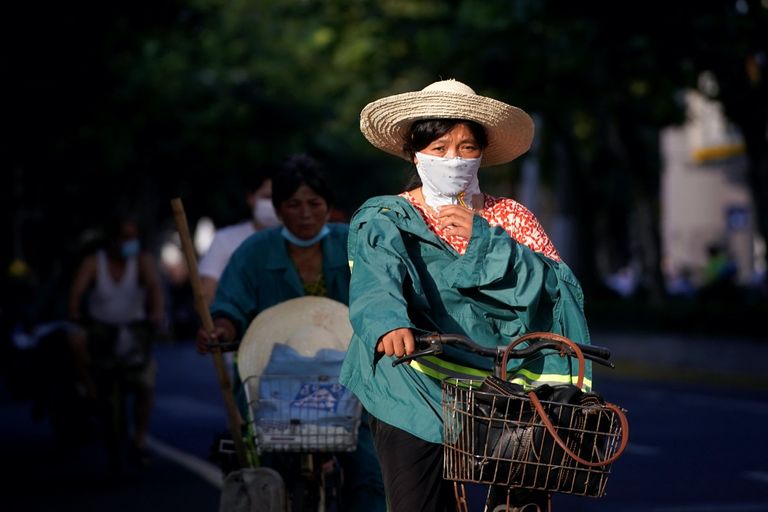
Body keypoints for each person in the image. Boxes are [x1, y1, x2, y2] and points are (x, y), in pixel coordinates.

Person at [340, 79, 593, 511]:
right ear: (414, 153)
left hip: (504, 388)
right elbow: (375, 277)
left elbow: (559, 289)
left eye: (467, 147)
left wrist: (488, 240)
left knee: (527, 495)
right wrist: (389, 324)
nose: (453, 159)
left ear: (482, 154)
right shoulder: (386, 216)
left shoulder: (512, 217)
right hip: (413, 382)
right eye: (439, 148)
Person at [196, 154, 385, 511]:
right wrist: (220, 329)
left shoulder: (354, 245)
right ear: (280, 210)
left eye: (314, 203)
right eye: (293, 205)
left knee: (370, 470)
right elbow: (229, 307)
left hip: (352, 383)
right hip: (274, 383)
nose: (305, 213)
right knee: (267, 469)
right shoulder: (254, 253)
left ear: (328, 206)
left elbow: (381, 295)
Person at [67, 213, 165, 468]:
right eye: (124, 237)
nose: (129, 243)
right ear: (111, 240)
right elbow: (76, 296)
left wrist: (155, 315)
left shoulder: (142, 261)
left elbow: (155, 289)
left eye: (133, 237)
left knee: (145, 384)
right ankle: (90, 391)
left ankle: (140, 440)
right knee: (75, 340)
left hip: (134, 330)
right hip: (100, 330)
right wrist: (76, 314)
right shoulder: (93, 263)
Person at [199, 172, 280, 306]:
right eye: (267, 197)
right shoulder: (224, 240)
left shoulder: (298, 241)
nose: (272, 204)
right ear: (250, 198)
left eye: (278, 198)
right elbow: (206, 296)